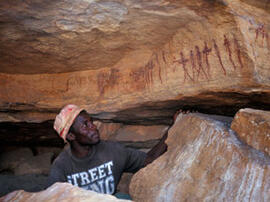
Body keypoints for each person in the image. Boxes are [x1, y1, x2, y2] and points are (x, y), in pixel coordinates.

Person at [47, 104, 168, 197]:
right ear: (71, 136)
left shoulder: (112, 151)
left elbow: (149, 159)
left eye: (91, 122)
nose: (93, 127)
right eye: (85, 125)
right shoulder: (61, 167)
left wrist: (174, 127)